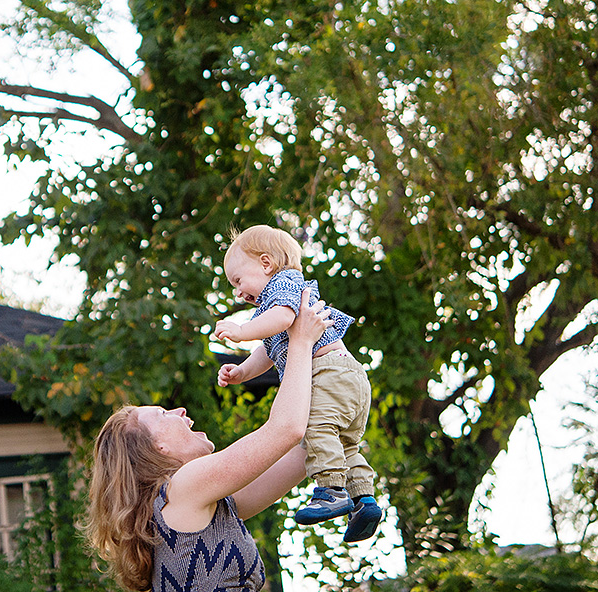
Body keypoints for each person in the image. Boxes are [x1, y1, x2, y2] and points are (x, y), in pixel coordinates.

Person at [85, 290, 327, 592]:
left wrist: (339, 402)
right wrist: (301, 342)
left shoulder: (202, 503)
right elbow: (287, 429)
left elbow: (304, 455)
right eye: (163, 414)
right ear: (157, 448)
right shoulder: (183, 487)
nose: (179, 410)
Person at [213, 224, 381, 539]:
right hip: (345, 377)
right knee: (343, 442)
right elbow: (268, 348)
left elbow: (282, 320)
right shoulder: (275, 306)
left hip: (327, 372)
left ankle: (331, 491)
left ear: (266, 263)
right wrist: (242, 371)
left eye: (238, 280)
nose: (237, 291)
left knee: (315, 427)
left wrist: (239, 330)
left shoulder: (283, 285)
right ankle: (364, 499)